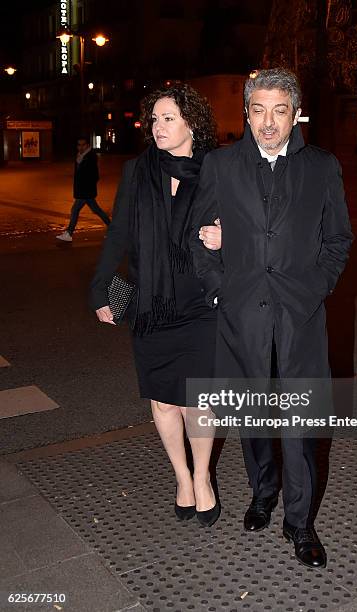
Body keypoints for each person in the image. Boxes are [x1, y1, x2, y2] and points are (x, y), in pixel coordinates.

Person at [191, 68, 354, 567]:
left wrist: (316, 289)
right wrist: (220, 294)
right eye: (258, 110)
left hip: (300, 317)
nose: (268, 122)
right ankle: (263, 493)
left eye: (279, 111)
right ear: (246, 113)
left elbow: (338, 239)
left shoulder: (322, 167)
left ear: (295, 114)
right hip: (242, 316)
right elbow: (200, 235)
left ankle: (300, 524)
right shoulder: (221, 165)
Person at [89, 84, 222, 527]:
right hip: (151, 304)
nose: (157, 127)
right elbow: (119, 235)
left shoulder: (217, 169)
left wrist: (229, 238)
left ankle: (203, 478)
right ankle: (182, 478)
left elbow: (246, 227)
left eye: (168, 118)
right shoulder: (136, 171)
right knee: (165, 402)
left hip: (202, 301)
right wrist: (100, 290)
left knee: (199, 399)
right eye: (154, 119)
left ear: (191, 123)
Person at [57, 137, 110, 242]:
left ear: (87, 145)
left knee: (75, 210)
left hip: (86, 190)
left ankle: (69, 233)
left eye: (83, 145)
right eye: (79, 145)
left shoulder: (90, 156)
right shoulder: (80, 156)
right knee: (96, 210)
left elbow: (95, 175)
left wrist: (87, 186)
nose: (80, 147)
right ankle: (114, 229)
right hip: (83, 190)